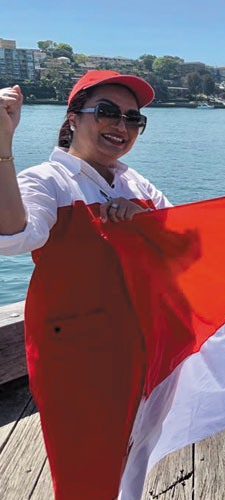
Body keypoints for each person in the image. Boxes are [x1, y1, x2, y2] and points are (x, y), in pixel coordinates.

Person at [0, 71, 170, 499]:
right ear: (74, 118)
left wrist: (144, 222)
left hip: (140, 347)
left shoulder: (136, 184)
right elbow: (16, 236)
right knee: (84, 468)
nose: (122, 126)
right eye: (108, 113)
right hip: (75, 359)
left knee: (136, 455)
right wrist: (2, 146)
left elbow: (188, 239)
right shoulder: (47, 181)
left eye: (133, 119)